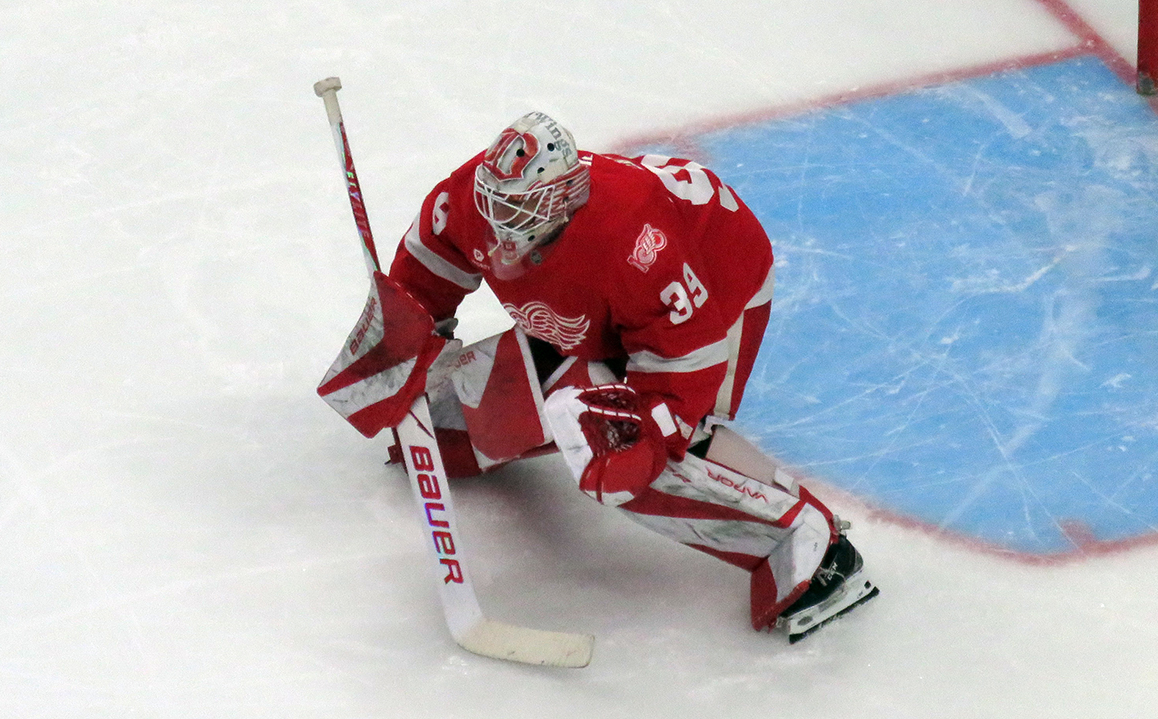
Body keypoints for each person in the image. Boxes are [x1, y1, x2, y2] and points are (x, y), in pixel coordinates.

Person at [320, 111, 878, 642]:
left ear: (564, 200)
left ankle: (809, 541)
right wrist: (407, 336)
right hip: (610, 310)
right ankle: (594, 392)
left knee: (621, 446)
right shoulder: (475, 198)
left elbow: (683, 369)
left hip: (717, 293)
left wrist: (651, 433)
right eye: (494, 206)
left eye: (517, 214)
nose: (499, 230)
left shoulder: (638, 243)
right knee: (443, 431)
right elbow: (430, 263)